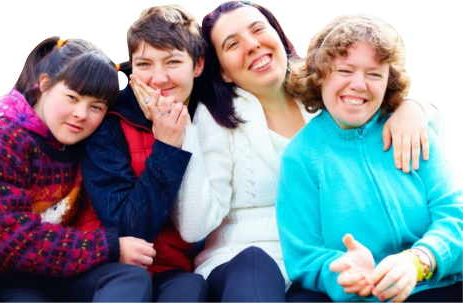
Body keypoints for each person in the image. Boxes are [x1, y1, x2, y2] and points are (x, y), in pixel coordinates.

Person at [170, 1, 446, 302]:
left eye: (258, 30)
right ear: (222, 71)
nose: (251, 45)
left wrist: (413, 107)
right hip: (254, 258)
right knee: (256, 268)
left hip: (334, 258)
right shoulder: (216, 118)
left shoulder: (330, 93)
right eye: (232, 44)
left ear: (279, 37)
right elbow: (193, 225)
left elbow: (395, 118)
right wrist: (186, 134)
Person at [0, 36, 156, 303]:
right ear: (44, 85)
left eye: (96, 107)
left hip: (19, 274)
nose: (82, 113)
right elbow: (11, 241)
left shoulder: (80, 147)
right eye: (72, 97)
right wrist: (109, 247)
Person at [277, 13, 461, 303]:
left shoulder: (412, 130)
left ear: (389, 81)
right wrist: (345, 276)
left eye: (374, 73)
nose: (359, 85)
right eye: (345, 70)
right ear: (320, 75)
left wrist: (419, 261)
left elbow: (455, 211)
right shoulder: (300, 157)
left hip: (438, 282)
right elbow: (304, 255)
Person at [72, 6, 208, 303]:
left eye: (172, 62)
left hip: (173, 266)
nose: (158, 79)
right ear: (131, 67)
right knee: (133, 282)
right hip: (109, 265)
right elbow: (127, 229)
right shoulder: (108, 124)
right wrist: (167, 147)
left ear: (198, 65)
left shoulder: (210, 117)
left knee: (190, 288)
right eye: (144, 64)